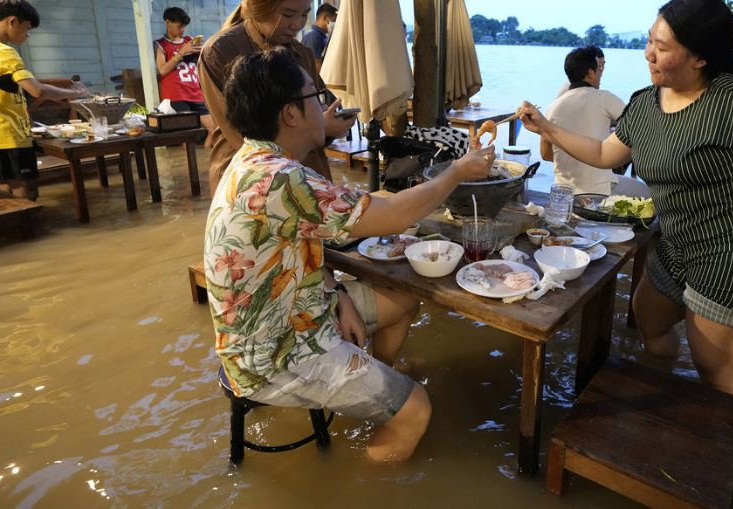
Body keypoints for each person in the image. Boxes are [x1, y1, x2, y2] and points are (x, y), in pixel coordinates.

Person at [205, 47, 494, 461]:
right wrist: (457, 171)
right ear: (289, 114)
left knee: (405, 297)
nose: (323, 107)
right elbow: (395, 215)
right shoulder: (280, 178)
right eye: (315, 99)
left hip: (291, 315)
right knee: (417, 411)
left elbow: (296, 246)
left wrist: (338, 295)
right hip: (273, 356)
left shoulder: (253, 159)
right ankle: (378, 458)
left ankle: (377, 386)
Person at [519, 0, 733, 397]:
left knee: (715, 372)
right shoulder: (646, 102)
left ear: (700, 57)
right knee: (647, 317)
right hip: (676, 243)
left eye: (663, 46)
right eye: (649, 40)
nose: (648, 53)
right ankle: (661, 400)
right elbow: (604, 154)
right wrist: (547, 127)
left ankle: (716, 447)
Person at [198, 0, 355, 194]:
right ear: (259, 9)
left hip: (308, 169)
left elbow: (322, 104)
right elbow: (243, 133)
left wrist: (332, 125)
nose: (297, 24)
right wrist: (320, 125)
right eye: (288, 15)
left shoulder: (302, 53)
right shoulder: (220, 51)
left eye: (304, 15)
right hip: (253, 181)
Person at [0, 0, 87, 200]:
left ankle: (12, 230)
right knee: (26, 192)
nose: (28, 34)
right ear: (13, 21)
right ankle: (35, 231)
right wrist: (76, 93)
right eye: (27, 28)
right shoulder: (2, 52)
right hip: (6, 135)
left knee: (4, 189)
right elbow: (37, 91)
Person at [542, 46, 645, 196]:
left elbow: (545, 154)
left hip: (562, 190)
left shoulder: (552, 106)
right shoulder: (604, 98)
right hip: (599, 189)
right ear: (590, 73)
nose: (601, 75)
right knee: (646, 192)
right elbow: (639, 126)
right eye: (599, 70)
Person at [154, 7, 215, 147]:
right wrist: (181, 52)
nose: (182, 30)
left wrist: (203, 51)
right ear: (168, 22)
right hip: (177, 96)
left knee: (215, 130)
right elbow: (162, 70)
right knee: (188, 136)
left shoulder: (189, 40)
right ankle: (189, 167)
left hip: (195, 93)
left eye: (184, 26)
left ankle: (206, 162)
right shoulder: (162, 44)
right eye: (179, 26)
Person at [301, 2, 337, 71]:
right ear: (326, 19)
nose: (335, 24)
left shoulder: (322, 37)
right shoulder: (314, 37)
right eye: (334, 20)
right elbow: (316, 65)